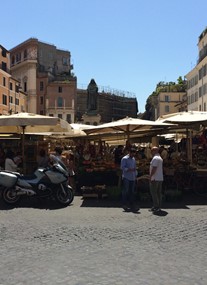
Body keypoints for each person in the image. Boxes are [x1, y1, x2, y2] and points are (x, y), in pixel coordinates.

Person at [120, 147, 139, 212]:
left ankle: (132, 204)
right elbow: (122, 167)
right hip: (126, 177)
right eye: (132, 153)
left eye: (134, 153)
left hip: (132, 177)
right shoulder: (124, 159)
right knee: (126, 191)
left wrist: (135, 175)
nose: (133, 155)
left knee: (132, 191)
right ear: (129, 152)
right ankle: (124, 204)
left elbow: (135, 168)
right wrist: (128, 169)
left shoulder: (133, 159)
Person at [149, 146, 164, 213]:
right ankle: (159, 206)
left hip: (155, 178)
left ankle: (156, 206)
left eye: (152, 151)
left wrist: (150, 176)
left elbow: (154, 168)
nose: (151, 152)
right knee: (158, 193)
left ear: (155, 151)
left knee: (154, 193)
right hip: (160, 178)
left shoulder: (155, 158)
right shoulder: (160, 158)